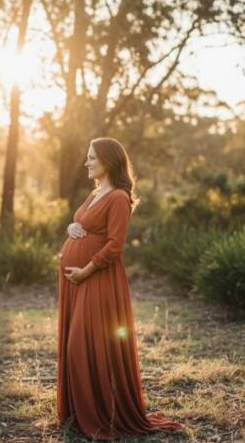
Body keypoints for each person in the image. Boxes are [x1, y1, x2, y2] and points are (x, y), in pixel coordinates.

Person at [56, 137, 184, 440]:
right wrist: (70, 228)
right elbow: (81, 224)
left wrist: (85, 270)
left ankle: (100, 414)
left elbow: (115, 246)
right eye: (87, 157)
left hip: (97, 280)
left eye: (92, 158)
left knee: (82, 346)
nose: (86, 163)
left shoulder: (118, 198)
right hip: (77, 282)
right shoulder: (95, 193)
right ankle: (77, 416)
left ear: (109, 161)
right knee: (77, 344)